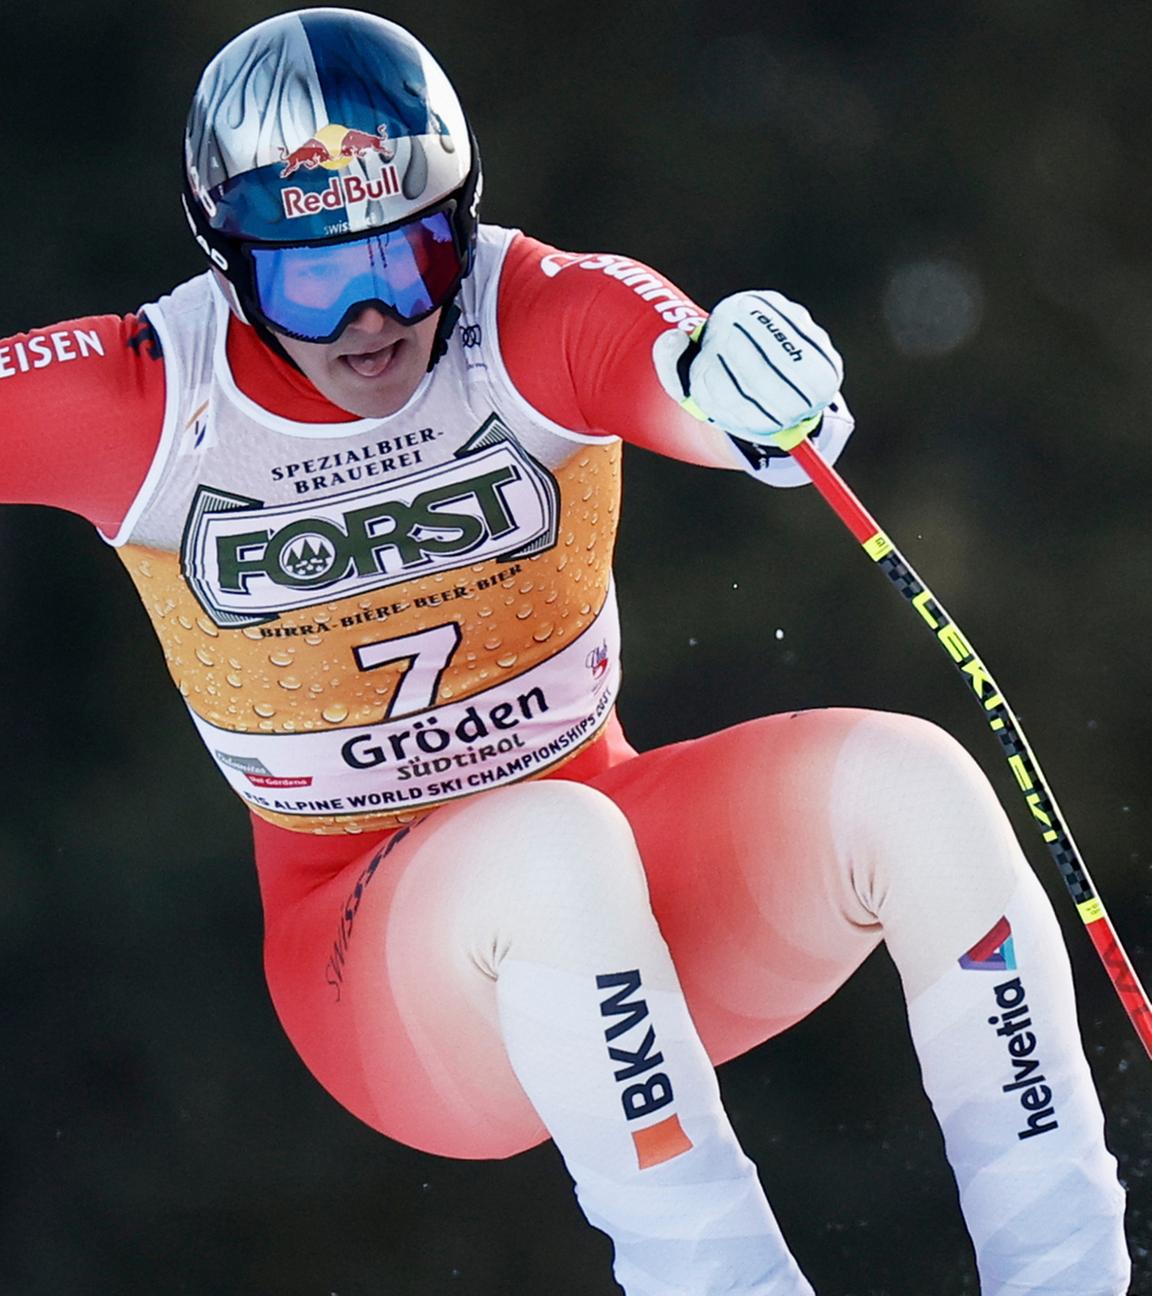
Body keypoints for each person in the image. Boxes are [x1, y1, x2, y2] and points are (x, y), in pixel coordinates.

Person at [1, 10, 1130, 1294]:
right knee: (548, 849)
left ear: (462, 222)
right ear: (228, 263)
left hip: (632, 889)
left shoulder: (522, 307)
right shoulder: (148, 397)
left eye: (414, 254)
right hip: (381, 967)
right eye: (312, 279)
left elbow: (670, 362)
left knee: (914, 784)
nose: (373, 318)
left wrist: (746, 387)